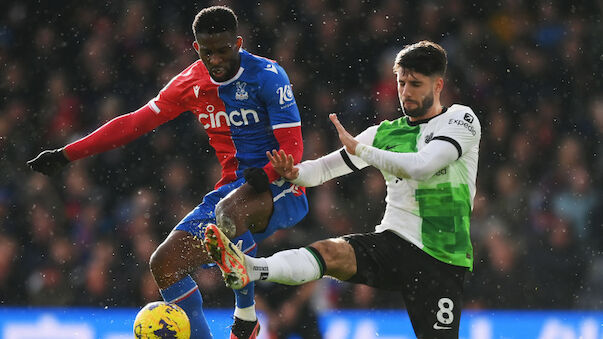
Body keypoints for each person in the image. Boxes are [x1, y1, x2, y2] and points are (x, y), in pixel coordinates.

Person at [27, 6, 309, 339]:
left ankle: (245, 316)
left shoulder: (268, 75)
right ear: (196, 48)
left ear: (238, 42)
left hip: (279, 187)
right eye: (208, 52)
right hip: (230, 191)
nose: (216, 59)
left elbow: (293, 148)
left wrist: (265, 173)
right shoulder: (190, 83)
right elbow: (134, 123)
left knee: (231, 213)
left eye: (223, 50)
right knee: (164, 264)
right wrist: (67, 154)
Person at [205, 40, 481, 339]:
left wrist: (363, 151)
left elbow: (422, 166)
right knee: (329, 253)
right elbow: (324, 169)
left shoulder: (460, 120)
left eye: (415, 83)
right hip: (394, 242)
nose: (406, 91)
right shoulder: (384, 133)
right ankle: (250, 267)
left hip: (441, 259)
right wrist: (294, 172)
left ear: (438, 85)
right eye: (401, 82)